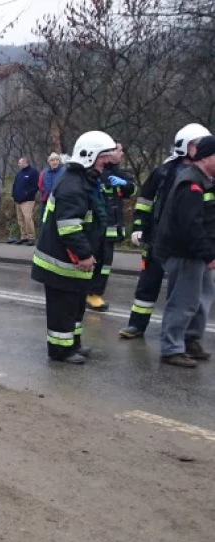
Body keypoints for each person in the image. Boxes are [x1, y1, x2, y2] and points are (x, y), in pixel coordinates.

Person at [31, 130, 116, 364]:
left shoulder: (83, 180)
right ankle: (60, 351)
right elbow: (69, 228)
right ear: (89, 156)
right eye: (103, 158)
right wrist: (86, 254)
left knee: (76, 306)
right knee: (62, 309)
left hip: (70, 262)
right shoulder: (73, 186)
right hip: (60, 262)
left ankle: (73, 344)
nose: (106, 163)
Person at [120, 123, 211, 339]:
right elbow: (144, 201)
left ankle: (181, 336)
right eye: (197, 144)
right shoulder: (163, 172)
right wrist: (140, 227)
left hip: (182, 243)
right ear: (185, 146)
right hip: (156, 238)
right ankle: (137, 325)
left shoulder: (205, 177)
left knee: (185, 293)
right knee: (148, 283)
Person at [152, 135, 215, 368]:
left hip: (198, 252)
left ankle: (190, 340)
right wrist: (208, 254)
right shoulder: (191, 183)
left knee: (201, 300)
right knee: (183, 301)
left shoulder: (206, 180)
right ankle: (171, 348)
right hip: (185, 253)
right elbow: (191, 225)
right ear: (207, 157)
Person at [86, 143, 135, 312]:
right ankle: (85, 292)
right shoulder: (94, 170)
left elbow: (131, 189)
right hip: (94, 227)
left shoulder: (117, 172)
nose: (121, 153)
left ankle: (95, 294)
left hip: (110, 228)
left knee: (105, 263)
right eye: (118, 150)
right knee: (90, 260)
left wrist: (124, 183)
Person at [11, 157, 40, 245]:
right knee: (20, 220)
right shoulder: (19, 173)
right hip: (18, 200)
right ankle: (24, 236)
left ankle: (31, 237)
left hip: (28, 200)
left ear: (25, 163)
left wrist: (26, 194)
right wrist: (14, 194)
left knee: (27, 218)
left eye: (20, 163)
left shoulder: (33, 172)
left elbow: (36, 186)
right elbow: (15, 185)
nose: (18, 164)